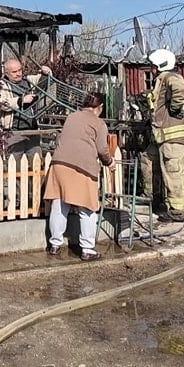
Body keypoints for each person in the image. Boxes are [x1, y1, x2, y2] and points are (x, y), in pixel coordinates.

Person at [43, 92, 114, 261]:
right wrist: (109, 162)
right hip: (82, 167)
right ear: (100, 107)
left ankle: (55, 244)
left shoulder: (72, 117)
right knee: (87, 209)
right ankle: (87, 249)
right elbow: (102, 150)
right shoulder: (99, 123)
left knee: (59, 205)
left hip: (59, 164)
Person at [146, 49, 184, 222]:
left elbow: (182, 91)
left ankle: (178, 212)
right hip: (164, 137)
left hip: (173, 138)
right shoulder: (161, 80)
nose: (150, 68)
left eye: (152, 65)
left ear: (160, 64)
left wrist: (174, 108)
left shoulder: (171, 78)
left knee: (174, 173)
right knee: (164, 171)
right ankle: (163, 204)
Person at [0, 58, 52, 131]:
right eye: (14, 72)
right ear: (6, 74)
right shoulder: (2, 85)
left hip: (32, 127)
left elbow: (46, 80)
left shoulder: (28, 81)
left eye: (20, 70)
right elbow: (1, 104)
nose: (18, 74)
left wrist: (47, 72)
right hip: (13, 130)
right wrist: (21, 100)